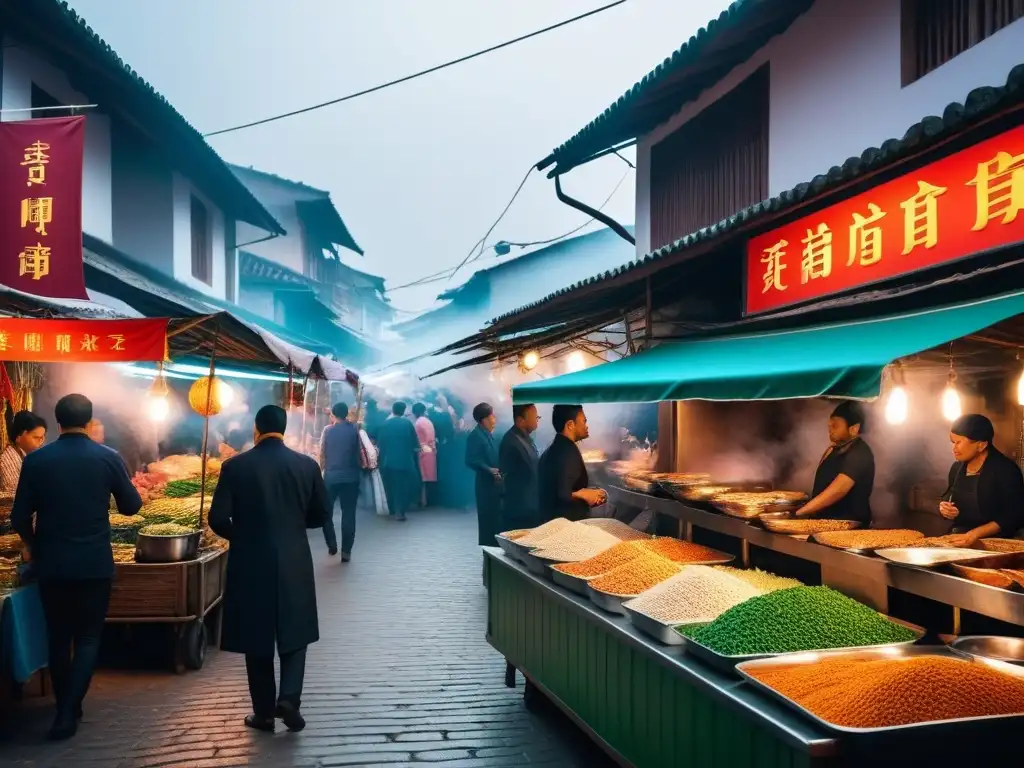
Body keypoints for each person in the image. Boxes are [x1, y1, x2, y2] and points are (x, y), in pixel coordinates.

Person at [11, 394, 142, 741]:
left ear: (56, 422)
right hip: (94, 563)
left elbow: (18, 516)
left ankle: (65, 709)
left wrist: (34, 543)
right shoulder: (107, 457)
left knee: (58, 637)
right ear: (88, 421)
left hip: (51, 563)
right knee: (87, 638)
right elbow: (131, 506)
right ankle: (69, 711)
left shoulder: (37, 460)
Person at [208, 405, 328, 734]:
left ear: (256, 429)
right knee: (296, 630)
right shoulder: (306, 466)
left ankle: (263, 713)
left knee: (256, 636)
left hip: (251, 559)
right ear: (284, 429)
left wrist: (245, 536)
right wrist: (291, 527)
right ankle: (289, 698)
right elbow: (321, 515)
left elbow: (217, 519)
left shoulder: (235, 466)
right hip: (294, 557)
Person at [939, 414, 1024, 547]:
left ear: (981, 445)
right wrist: (945, 508)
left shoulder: (1006, 470)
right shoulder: (957, 468)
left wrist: (975, 534)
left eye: (959, 442)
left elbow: (1014, 516)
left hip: (997, 542)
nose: (954, 448)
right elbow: (949, 496)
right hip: (961, 536)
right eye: (952, 442)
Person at [795, 401, 875, 523]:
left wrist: (801, 512)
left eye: (835, 426)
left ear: (854, 429)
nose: (830, 430)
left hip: (849, 529)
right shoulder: (832, 449)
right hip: (823, 524)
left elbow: (839, 489)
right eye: (829, 426)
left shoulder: (860, 453)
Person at [538, 404, 605, 522]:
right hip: (566, 528)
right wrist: (585, 495)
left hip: (550, 524)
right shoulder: (566, 452)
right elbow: (562, 494)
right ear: (570, 425)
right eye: (584, 421)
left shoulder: (553, 448)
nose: (586, 426)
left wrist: (587, 493)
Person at [319, 402, 362, 561]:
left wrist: (322, 472)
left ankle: (332, 545)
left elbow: (322, 454)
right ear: (347, 414)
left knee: (326, 512)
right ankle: (346, 552)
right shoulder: (355, 430)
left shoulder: (328, 431)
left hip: (331, 477)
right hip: (351, 477)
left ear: (333, 414)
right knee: (349, 514)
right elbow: (359, 453)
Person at [499, 403, 541, 530]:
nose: (537, 420)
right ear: (520, 421)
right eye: (534, 417)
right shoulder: (511, 441)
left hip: (530, 506)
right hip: (520, 510)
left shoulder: (525, 438)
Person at [375, 402, 419, 521]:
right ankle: (400, 512)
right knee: (402, 487)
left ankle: (391, 509)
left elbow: (379, 444)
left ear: (392, 410)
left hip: (387, 462)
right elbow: (415, 445)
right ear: (404, 411)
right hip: (405, 462)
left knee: (390, 486)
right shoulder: (408, 424)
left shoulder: (385, 424)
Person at [466, 403, 503, 545]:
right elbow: (471, 460)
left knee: (496, 521)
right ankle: (489, 552)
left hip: (495, 484)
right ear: (484, 419)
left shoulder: (488, 434)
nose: (495, 418)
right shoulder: (475, 436)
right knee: (488, 522)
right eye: (492, 416)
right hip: (485, 485)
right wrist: (489, 469)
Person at [0, 410, 47, 493]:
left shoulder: (23, 455)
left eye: (42, 438)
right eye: (36, 437)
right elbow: (14, 496)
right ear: (19, 436)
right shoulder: (9, 460)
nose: (41, 442)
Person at [412, 402, 437, 507]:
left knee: (422, 477)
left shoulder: (418, 423)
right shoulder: (428, 421)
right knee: (428, 478)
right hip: (431, 450)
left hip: (422, 451)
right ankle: (428, 500)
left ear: (414, 412)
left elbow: (417, 439)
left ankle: (422, 501)